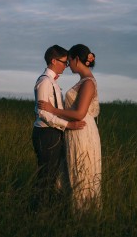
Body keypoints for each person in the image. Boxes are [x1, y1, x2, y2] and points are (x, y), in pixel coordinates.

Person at [39, 43, 101, 210]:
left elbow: (80, 113)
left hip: (82, 130)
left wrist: (53, 110)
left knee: (82, 174)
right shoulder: (83, 81)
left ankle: (83, 213)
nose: (68, 65)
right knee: (71, 173)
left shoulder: (88, 83)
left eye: (69, 61)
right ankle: (71, 211)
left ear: (75, 59)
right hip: (74, 129)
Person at [31, 45, 86, 211]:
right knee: (46, 176)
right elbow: (43, 113)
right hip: (45, 133)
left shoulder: (53, 83)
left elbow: (54, 110)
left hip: (54, 132)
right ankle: (37, 210)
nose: (66, 66)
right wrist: (69, 124)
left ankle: (46, 207)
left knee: (52, 175)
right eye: (64, 62)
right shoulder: (44, 82)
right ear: (53, 61)